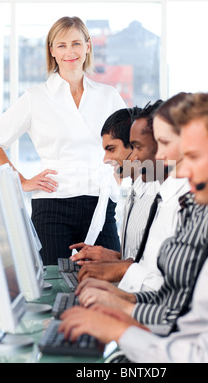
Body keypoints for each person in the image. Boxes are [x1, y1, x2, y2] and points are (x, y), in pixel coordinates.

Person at [59, 90, 208, 363]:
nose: (180, 172)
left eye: (192, 157)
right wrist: (129, 321)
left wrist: (122, 330)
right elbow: (190, 327)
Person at [0, 16, 126, 265]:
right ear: (52, 51)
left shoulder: (108, 96)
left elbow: (130, 146)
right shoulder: (36, 98)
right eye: (62, 45)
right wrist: (21, 181)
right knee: (53, 282)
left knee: (112, 279)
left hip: (100, 204)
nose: (70, 51)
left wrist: (118, 179)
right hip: (53, 205)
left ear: (88, 46)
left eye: (76, 43)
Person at [73, 94, 208, 337]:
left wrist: (122, 294)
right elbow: (170, 295)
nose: (157, 156)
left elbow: (180, 308)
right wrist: (121, 293)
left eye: (162, 144)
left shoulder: (187, 204)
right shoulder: (163, 195)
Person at [71, 101, 163, 282]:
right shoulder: (135, 190)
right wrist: (114, 257)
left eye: (111, 149)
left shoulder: (157, 195)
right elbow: (142, 256)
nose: (106, 159)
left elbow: (159, 270)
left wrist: (118, 266)